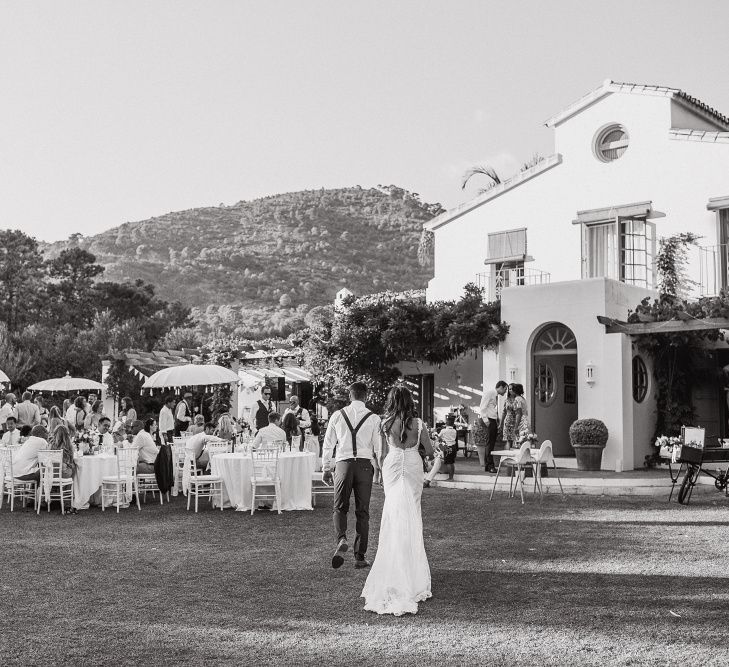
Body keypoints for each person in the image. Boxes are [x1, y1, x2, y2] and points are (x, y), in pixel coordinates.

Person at [362, 385, 433, 616]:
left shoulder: (384, 423)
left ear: (392, 401)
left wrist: (380, 474)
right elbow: (429, 450)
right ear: (410, 401)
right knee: (412, 513)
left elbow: (381, 454)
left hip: (392, 465)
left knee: (393, 514)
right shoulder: (419, 423)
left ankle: (393, 564)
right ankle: (411, 571)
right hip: (412, 465)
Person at [322, 381, 381, 570]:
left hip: (343, 465)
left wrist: (325, 467)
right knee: (363, 512)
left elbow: (328, 443)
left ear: (350, 395)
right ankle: (360, 557)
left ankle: (341, 539)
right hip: (364, 466)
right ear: (366, 396)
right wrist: (379, 469)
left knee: (340, 507)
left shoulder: (337, 415)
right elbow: (378, 448)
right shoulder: (374, 418)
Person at [478, 380, 509, 472]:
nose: (505, 391)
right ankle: (490, 465)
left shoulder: (494, 394)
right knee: (490, 443)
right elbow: (482, 406)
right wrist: (486, 419)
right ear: (501, 387)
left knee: (490, 442)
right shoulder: (490, 393)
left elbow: (491, 408)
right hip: (489, 420)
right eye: (505, 389)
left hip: (492, 419)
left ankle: (488, 465)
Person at [438, 415, 458, 480]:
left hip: (447, 448)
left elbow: (438, 437)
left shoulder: (443, 430)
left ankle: (450, 478)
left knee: (448, 463)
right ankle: (452, 476)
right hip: (453, 447)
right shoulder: (454, 431)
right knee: (452, 462)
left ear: (446, 423)